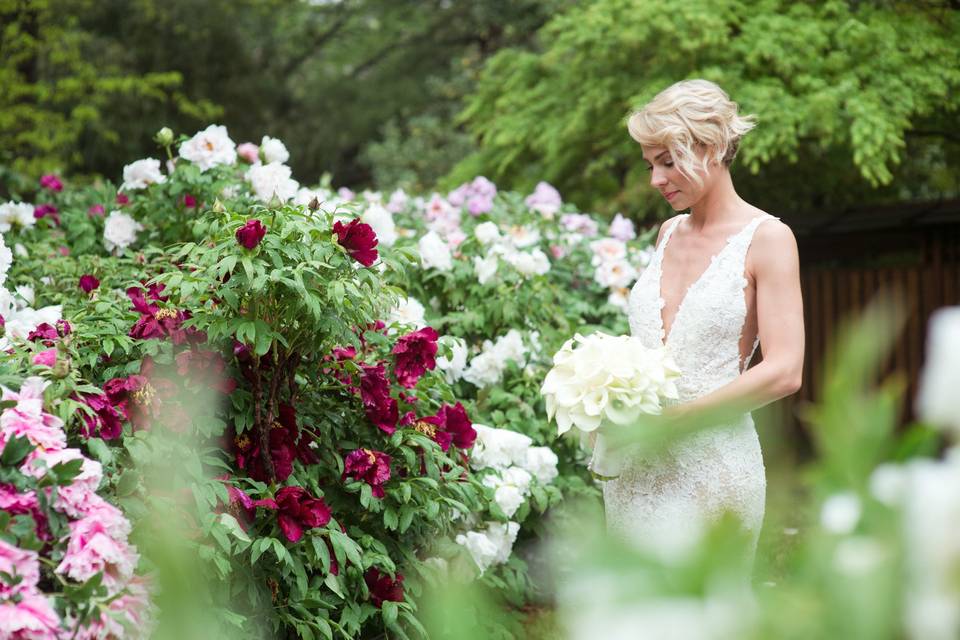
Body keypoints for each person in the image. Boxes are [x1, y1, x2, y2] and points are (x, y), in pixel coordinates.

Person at [596, 79, 805, 565]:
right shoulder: (667, 232)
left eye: (667, 161)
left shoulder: (768, 238)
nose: (655, 179)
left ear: (710, 148)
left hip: (714, 467)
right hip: (636, 469)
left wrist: (678, 421)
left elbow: (786, 369)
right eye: (651, 164)